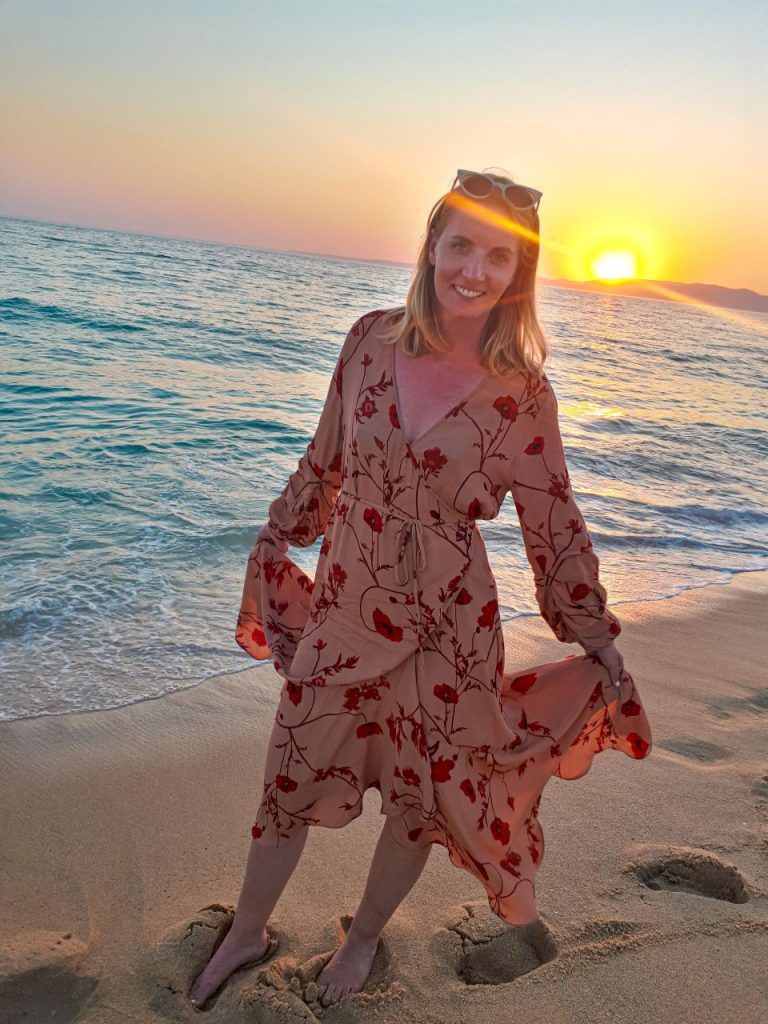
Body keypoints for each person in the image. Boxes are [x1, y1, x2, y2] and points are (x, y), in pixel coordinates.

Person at [189, 168, 652, 1010]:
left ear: (520, 274)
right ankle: (249, 929)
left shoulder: (525, 394)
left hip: (450, 625)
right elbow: (324, 460)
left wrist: (595, 633)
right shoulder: (368, 339)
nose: (474, 270)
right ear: (432, 246)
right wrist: (281, 526)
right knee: (289, 775)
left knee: (416, 801)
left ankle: (361, 939)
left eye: (497, 257)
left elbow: (555, 520)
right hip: (347, 602)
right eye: (461, 246)